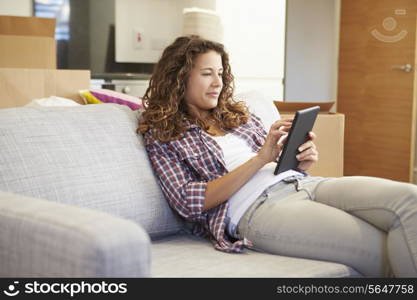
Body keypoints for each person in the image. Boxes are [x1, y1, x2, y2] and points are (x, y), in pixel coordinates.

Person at [138, 35, 417, 277]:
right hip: (258, 210)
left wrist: (301, 161)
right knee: (385, 250)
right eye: (207, 73)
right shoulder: (163, 133)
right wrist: (260, 159)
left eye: (221, 73)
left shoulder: (237, 115)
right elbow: (189, 202)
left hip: (301, 184)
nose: (218, 83)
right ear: (179, 76)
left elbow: (275, 161)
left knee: (410, 201)